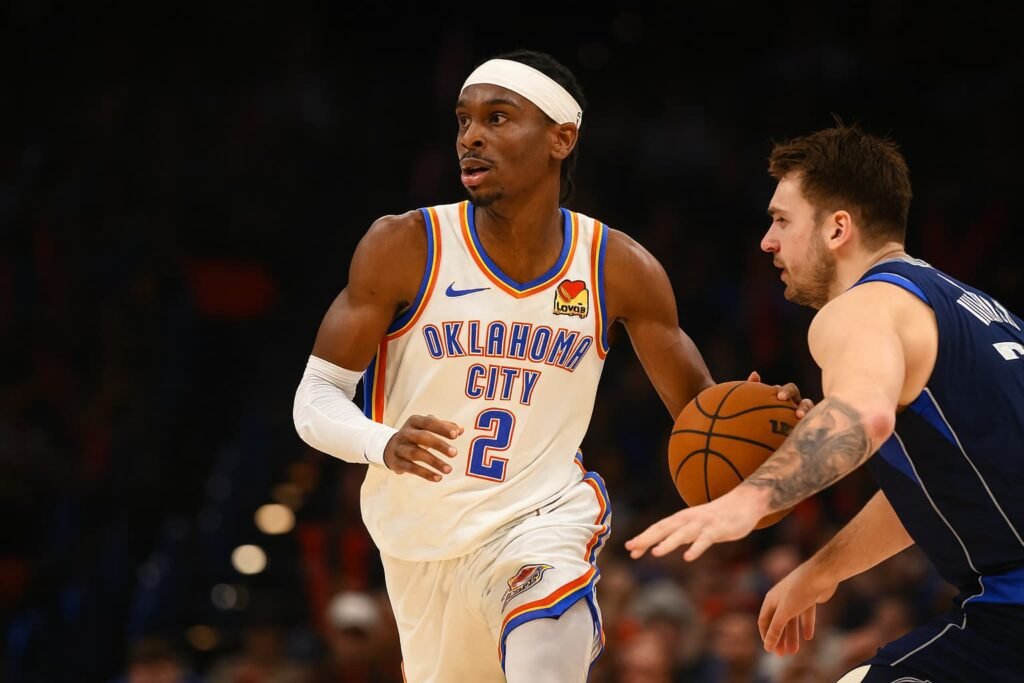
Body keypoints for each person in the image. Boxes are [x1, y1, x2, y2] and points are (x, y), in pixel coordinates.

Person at [292, 50, 805, 682]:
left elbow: (703, 414)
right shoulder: (405, 245)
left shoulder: (617, 267)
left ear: (562, 138)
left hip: (542, 520)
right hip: (418, 540)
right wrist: (384, 441)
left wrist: (772, 429)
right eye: (463, 121)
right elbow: (315, 399)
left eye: (498, 118)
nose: (471, 137)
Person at [626, 123, 1024, 681]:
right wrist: (821, 572)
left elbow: (865, 414)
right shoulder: (972, 308)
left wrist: (747, 500)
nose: (767, 242)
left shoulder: (860, 308)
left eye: (782, 220)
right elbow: (941, 490)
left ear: (838, 228)